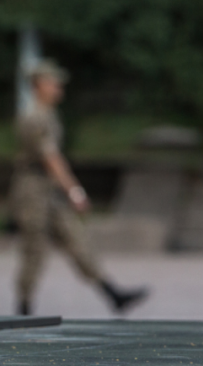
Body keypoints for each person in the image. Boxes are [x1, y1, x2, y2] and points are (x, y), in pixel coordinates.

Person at [11, 59, 148, 316]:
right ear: (39, 85)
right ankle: (23, 308)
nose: (58, 87)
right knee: (34, 250)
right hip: (33, 192)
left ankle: (112, 293)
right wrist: (75, 191)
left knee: (77, 240)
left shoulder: (48, 115)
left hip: (48, 190)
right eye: (53, 82)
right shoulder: (35, 118)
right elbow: (50, 159)